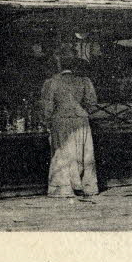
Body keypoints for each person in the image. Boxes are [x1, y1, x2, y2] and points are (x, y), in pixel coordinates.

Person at [40, 53, 99, 198]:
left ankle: (64, 188)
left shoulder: (51, 82)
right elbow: (92, 103)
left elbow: (47, 107)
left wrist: (46, 121)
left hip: (60, 120)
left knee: (62, 153)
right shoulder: (84, 81)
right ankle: (86, 186)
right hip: (81, 120)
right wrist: (81, 110)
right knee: (83, 154)